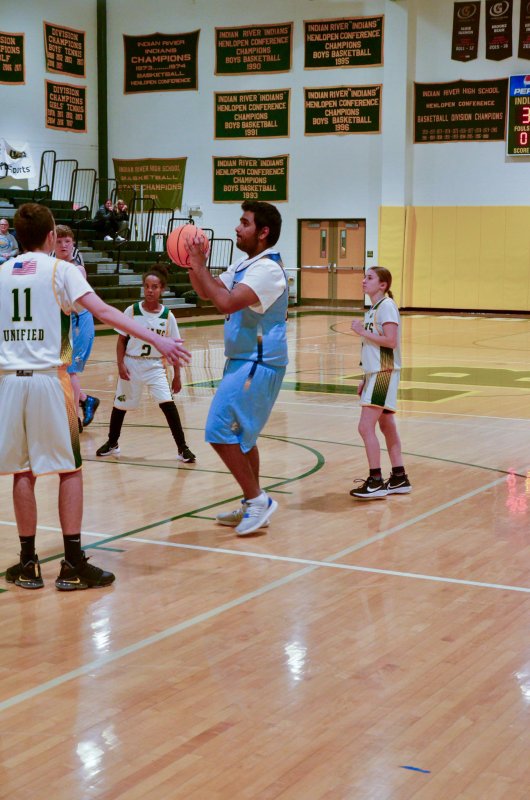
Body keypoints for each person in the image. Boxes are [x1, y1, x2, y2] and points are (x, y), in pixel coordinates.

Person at [0, 203, 190, 591]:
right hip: (50, 380)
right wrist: (156, 339)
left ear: (17, 236)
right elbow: (103, 311)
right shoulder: (61, 270)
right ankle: (72, 564)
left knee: (23, 471)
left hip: (10, 383)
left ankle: (28, 564)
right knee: (70, 470)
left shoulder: (2, 272)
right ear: (51, 236)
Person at [186, 200, 287, 536]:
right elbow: (207, 293)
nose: (237, 228)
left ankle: (258, 500)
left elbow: (226, 302)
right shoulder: (245, 264)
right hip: (243, 360)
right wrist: (192, 264)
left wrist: (201, 265)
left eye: (244, 223)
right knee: (243, 437)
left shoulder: (267, 269)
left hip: (258, 361)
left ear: (263, 232)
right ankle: (252, 502)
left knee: (218, 430)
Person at [96, 264, 195, 462]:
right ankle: (112, 442)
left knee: (168, 405)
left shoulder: (167, 316)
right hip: (131, 364)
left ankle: (183, 448)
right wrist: (120, 365)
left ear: (162, 289)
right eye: (147, 286)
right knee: (120, 405)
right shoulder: (132, 311)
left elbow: (175, 348)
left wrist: (177, 376)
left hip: (155, 366)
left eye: (154, 287)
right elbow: (121, 341)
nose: (150, 290)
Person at [349, 266, 411, 499]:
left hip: (383, 373)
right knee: (386, 426)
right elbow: (373, 350)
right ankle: (399, 477)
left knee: (365, 427)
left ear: (382, 285)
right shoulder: (375, 308)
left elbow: (390, 341)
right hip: (376, 374)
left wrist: (361, 331)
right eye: (364, 277)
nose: (364, 281)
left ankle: (375, 480)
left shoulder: (386, 306)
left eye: (370, 278)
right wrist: (364, 378)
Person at [52, 225, 99, 431]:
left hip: (79, 322)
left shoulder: (77, 269)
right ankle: (86, 400)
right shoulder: (52, 267)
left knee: (69, 371)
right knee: (59, 371)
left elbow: (71, 301)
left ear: (73, 244)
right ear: (52, 243)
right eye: (59, 241)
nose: (63, 245)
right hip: (63, 324)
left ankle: (74, 421)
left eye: (67, 241)